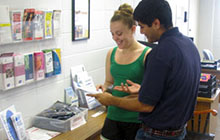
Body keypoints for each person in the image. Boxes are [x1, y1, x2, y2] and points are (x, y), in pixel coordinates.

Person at [88, 0, 201, 140]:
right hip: (178, 132)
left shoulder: (159, 54)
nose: (142, 32)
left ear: (156, 23)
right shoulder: (189, 45)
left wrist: (111, 100)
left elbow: (145, 105)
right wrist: (144, 90)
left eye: (142, 26)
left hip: (158, 135)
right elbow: (172, 90)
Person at [95, 3, 151, 140]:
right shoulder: (111, 53)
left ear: (133, 29)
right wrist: (104, 88)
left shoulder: (147, 54)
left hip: (135, 121)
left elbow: (151, 92)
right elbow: (109, 82)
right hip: (113, 117)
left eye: (119, 33)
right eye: (112, 34)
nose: (115, 38)